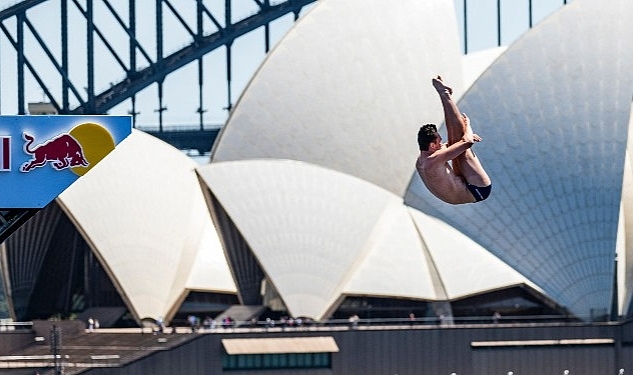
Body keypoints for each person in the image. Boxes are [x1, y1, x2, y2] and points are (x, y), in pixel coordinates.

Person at [416, 76, 492, 204]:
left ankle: (444, 95)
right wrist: (468, 125)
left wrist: (462, 140)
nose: (442, 143)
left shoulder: (421, 161)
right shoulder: (434, 160)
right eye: (439, 141)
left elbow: (453, 145)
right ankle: (444, 94)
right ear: (432, 145)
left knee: (455, 143)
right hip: (478, 190)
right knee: (461, 146)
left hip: (459, 188)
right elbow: (468, 142)